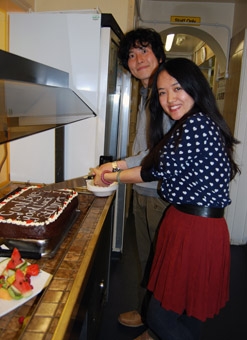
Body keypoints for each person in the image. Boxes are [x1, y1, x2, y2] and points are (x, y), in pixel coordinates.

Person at [92, 58, 240, 340]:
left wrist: (110, 175)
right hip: (196, 225)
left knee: (160, 315)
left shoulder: (195, 125)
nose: (169, 99)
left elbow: (152, 170)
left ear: (195, 87)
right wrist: (114, 168)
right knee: (189, 309)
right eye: (162, 92)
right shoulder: (196, 122)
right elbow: (154, 161)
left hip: (194, 228)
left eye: (177, 88)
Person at [98, 28, 173, 330]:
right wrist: (119, 165)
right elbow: (143, 148)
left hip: (161, 196)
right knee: (148, 262)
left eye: (145, 51)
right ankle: (147, 313)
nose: (138, 59)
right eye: (131, 54)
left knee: (163, 268)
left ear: (159, 55)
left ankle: (159, 330)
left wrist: (117, 172)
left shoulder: (166, 96)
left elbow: (159, 156)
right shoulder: (146, 93)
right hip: (143, 191)